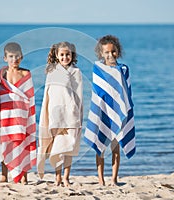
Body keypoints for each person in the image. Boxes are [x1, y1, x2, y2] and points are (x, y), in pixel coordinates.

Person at [84, 35, 136, 186]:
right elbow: (98, 91)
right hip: (103, 112)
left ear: (118, 52)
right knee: (99, 148)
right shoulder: (98, 68)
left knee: (115, 148)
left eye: (113, 51)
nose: (110, 55)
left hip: (118, 114)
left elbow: (126, 93)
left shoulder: (124, 69)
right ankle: (100, 179)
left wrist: (126, 111)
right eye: (106, 52)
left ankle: (114, 179)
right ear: (101, 53)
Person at [37, 41, 83, 187]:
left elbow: (79, 95)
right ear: (57, 55)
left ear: (72, 55)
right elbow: (47, 94)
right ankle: (57, 177)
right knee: (57, 146)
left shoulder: (76, 72)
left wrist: (78, 112)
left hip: (71, 114)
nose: (65, 57)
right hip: (55, 114)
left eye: (67, 54)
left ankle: (66, 177)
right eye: (62, 55)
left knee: (69, 146)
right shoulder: (52, 71)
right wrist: (46, 113)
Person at [0, 42, 36, 184]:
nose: (15, 60)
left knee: (23, 143)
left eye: (18, 56)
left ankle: (24, 175)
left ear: (22, 57)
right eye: (11, 56)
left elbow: (30, 97)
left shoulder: (26, 74)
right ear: (5, 58)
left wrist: (29, 116)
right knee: (5, 144)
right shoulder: (1, 74)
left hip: (22, 114)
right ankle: (4, 175)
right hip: (6, 114)